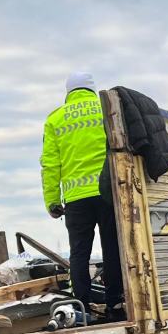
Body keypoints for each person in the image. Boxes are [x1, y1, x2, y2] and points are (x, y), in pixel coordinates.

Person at [40, 72, 124, 314]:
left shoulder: (55, 119)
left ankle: (82, 306)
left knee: (79, 253)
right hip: (108, 193)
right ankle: (115, 303)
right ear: (91, 89)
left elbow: (50, 165)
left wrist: (53, 201)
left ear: (68, 92)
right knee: (112, 248)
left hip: (76, 199)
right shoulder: (106, 109)